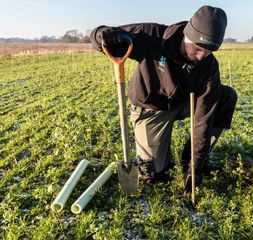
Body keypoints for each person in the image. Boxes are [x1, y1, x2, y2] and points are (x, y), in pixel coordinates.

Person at [90, 5, 237, 192]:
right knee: (155, 175)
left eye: (208, 52)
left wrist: (195, 166)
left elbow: (204, 119)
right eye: (198, 49)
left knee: (227, 96)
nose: (201, 57)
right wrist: (101, 34)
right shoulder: (153, 36)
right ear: (187, 36)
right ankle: (158, 162)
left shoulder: (209, 67)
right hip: (151, 109)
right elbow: (99, 38)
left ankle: (188, 159)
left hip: (183, 103)